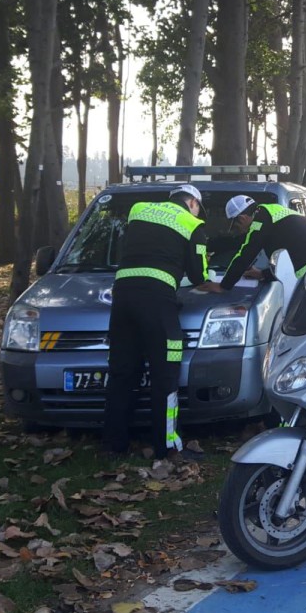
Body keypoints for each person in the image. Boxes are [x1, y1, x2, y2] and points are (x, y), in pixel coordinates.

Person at [103, 184, 211, 460]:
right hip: (157, 304)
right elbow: (199, 276)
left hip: (123, 298)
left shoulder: (139, 210)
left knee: (121, 373)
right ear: (193, 203)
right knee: (165, 376)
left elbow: (147, 248)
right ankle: (167, 447)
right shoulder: (192, 223)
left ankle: (115, 446)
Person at [197, 195, 306, 293]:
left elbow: (246, 253)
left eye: (236, 226)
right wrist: (263, 274)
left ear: (242, 218)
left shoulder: (260, 221)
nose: (239, 231)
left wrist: (223, 286)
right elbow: (292, 253)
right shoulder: (270, 214)